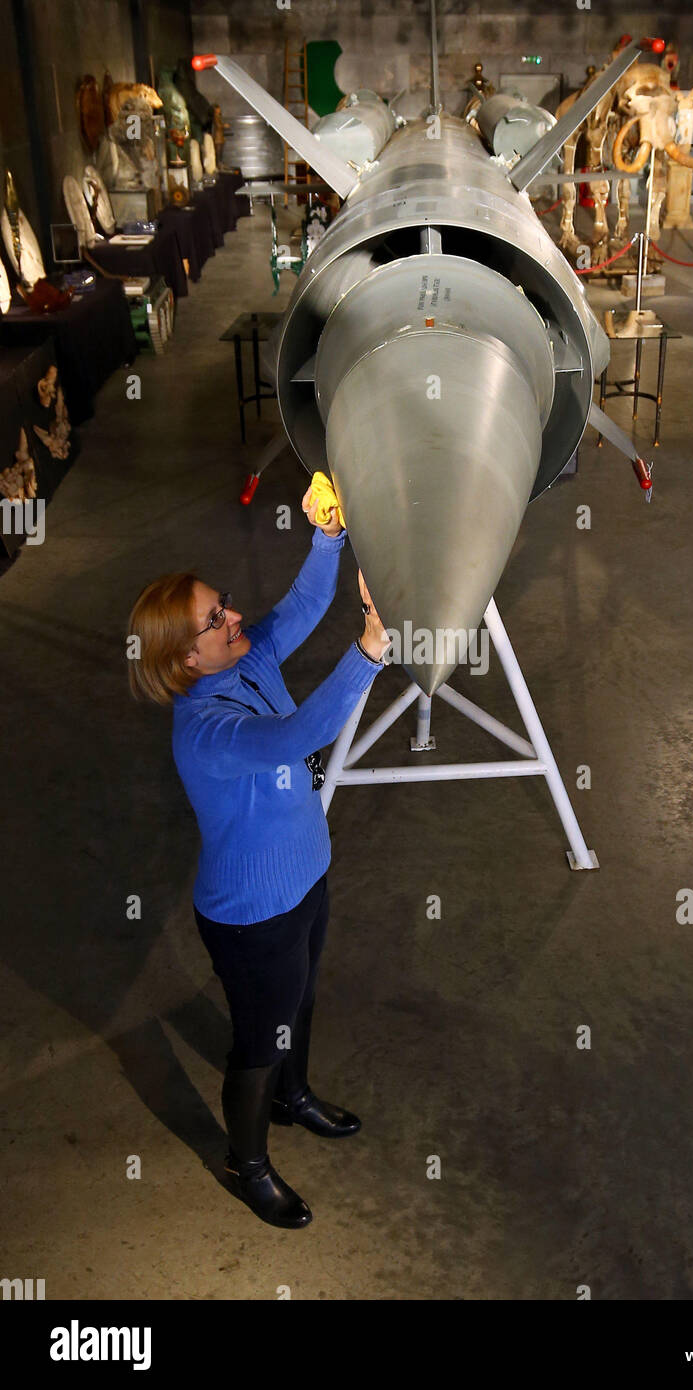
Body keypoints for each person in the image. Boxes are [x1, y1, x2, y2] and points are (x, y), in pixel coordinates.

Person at [127, 487, 391, 1228]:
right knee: (258, 1037)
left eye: (225, 603)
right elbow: (295, 735)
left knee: (300, 1001)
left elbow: (301, 607)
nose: (235, 616)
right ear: (185, 658)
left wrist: (327, 539)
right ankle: (247, 1164)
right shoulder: (205, 731)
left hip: (306, 877)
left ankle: (293, 1097)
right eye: (216, 620)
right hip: (252, 916)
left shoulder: (243, 656)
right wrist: (370, 648)